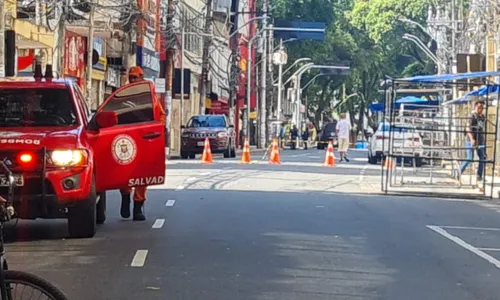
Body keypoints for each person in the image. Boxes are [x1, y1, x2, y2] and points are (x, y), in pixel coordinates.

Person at [120, 66, 148, 221]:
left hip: (143, 138)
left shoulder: (148, 97)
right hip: (124, 138)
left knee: (142, 175)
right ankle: (125, 196)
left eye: (135, 77)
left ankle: (138, 206)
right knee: (124, 171)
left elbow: (160, 115)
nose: (132, 80)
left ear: (141, 78)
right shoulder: (121, 95)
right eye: (130, 77)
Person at [459, 100, 486, 182]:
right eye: (479, 107)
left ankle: (479, 175)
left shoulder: (482, 117)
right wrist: (471, 139)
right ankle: (459, 171)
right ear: (475, 107)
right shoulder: (472, 116)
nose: (480, 109)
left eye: (482, 107)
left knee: (483, 157)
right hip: (471, 139)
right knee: (469, 158)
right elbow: (467, 127)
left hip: (480, 140)